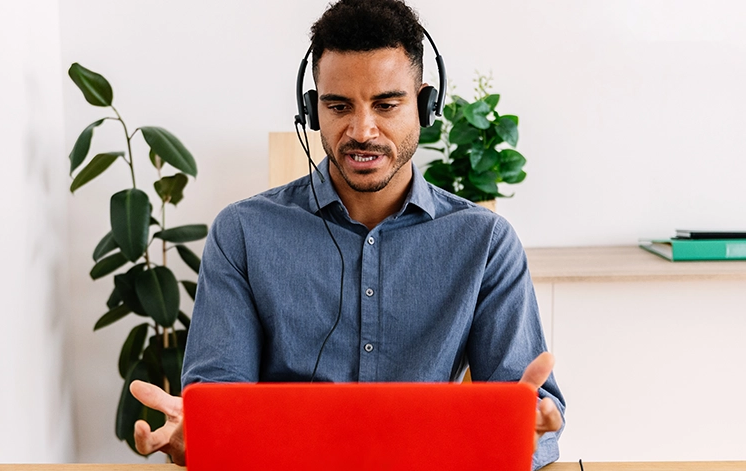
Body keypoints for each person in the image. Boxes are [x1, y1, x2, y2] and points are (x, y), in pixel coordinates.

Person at [129, 0, 566, 469]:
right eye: (338, 106)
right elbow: (218, 404)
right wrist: (200, 436)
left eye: (386, 104)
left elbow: (530, 414)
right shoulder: (242, 232)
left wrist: (525, 433)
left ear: (424, 105)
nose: (362, 130)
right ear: (312, 110)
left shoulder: (485, 242)